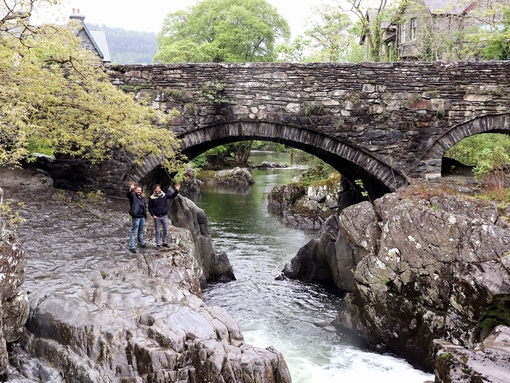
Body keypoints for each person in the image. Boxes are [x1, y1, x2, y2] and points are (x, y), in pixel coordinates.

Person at [148, 183, 181, 248]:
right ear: (154, 189)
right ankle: (158, 244)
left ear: (160, 189)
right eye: (156, 188)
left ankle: (164, 242)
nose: (157, 190)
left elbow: (172, 196)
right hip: (157, 216)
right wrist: (153, 215)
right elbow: (149, 208)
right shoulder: (152, 198)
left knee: (165, 230)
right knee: (157, 231)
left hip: (164, 216)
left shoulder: (164, 195)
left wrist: (176, 190)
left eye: (158, 188)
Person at [126, 182, 147, 253]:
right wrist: (130, 189)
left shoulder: (142, 198)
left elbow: (144, 207)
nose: (139, 191)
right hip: (136, 217)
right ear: (135, 191)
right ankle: (132, 246)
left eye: (140, 190)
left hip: (142, 217)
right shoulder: (133, 196)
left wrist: (145, 215)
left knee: (140, 231)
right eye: (138, 190)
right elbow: (128, 195)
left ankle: (141, 243)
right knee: (133, 231)